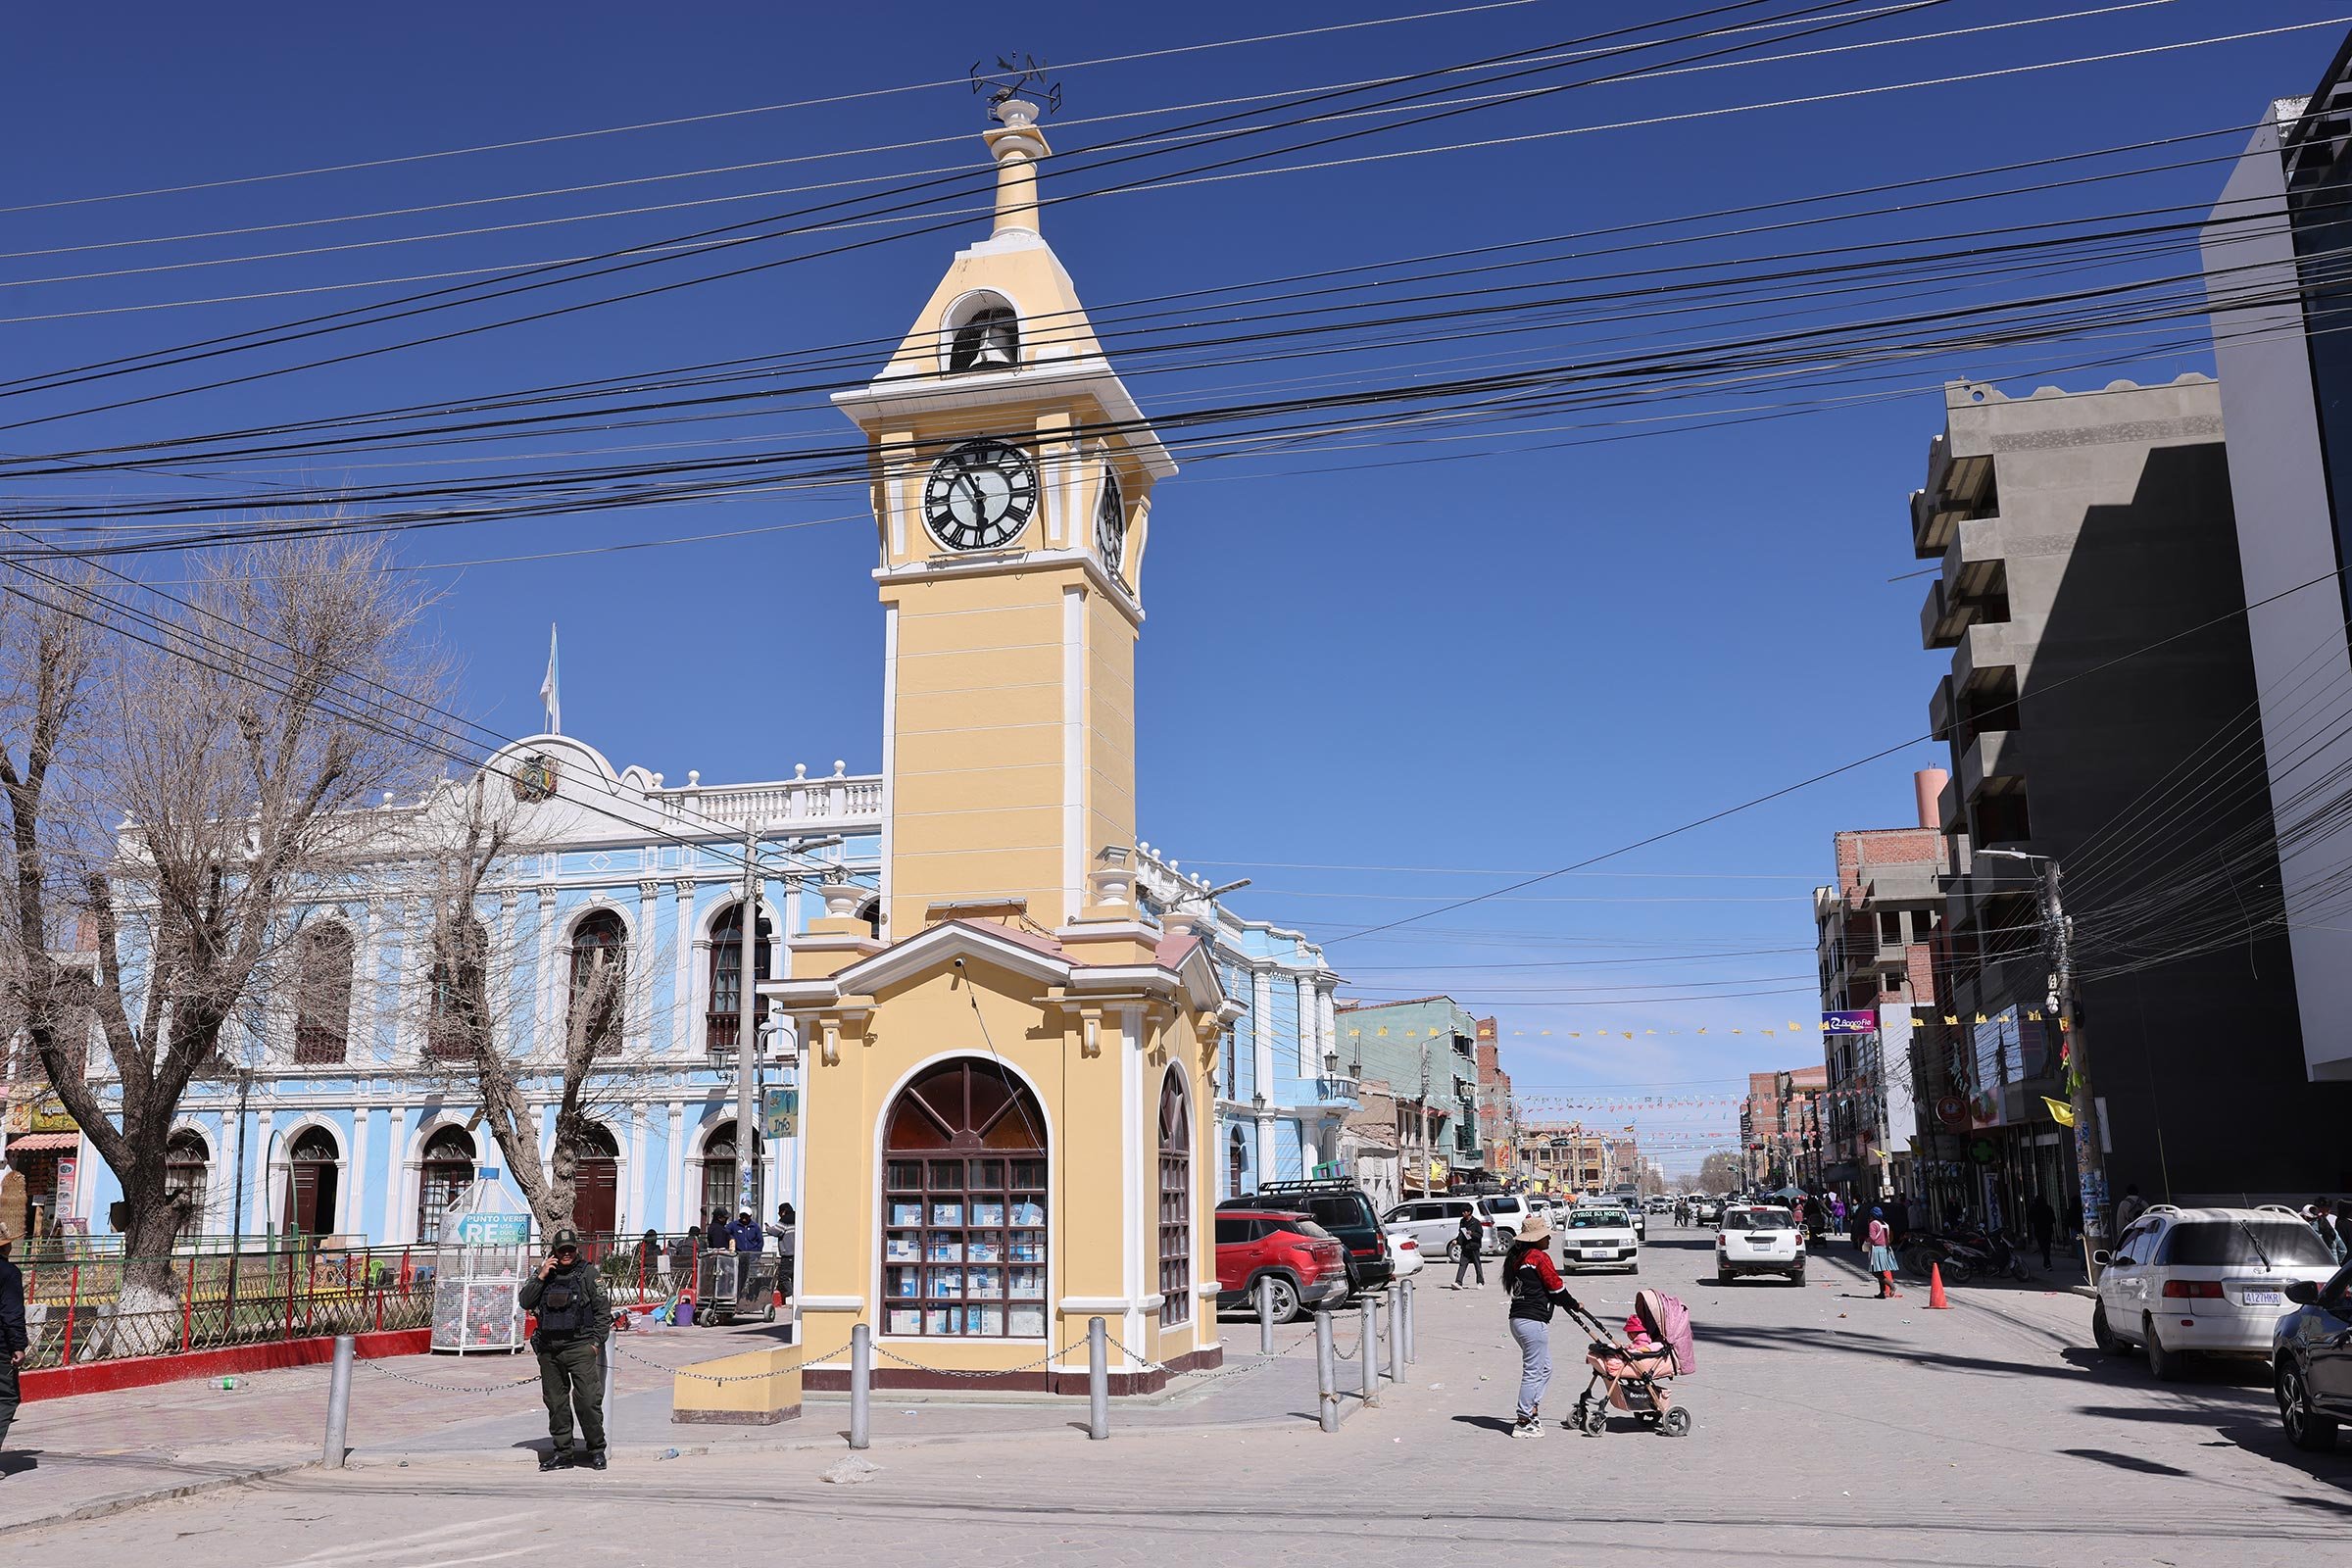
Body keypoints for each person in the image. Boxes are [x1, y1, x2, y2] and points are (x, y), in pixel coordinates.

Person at [517, 1227, 612, 1472]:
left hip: (580, 1345)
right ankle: (563, 1452)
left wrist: (595, 1343)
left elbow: (603, 1311)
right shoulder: (544, 1275)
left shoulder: (588, 1274)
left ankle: (596, 1450)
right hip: (549, 1349)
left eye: (570, 1249)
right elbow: (525, 1302)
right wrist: (540, 1276)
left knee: (588, 1401)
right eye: (562, 1250)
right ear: (555, 1252)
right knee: (556, 1402)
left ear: (576, 1248)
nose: (567, 1254)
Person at [1501, 1211, 1581, 1438]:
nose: (1549, 1239)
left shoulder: (1519, 1259)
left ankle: (1532, 1408)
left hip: (1517, 1320)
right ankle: (1523, 1420)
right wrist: (1575, 1304)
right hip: (1532, 1321)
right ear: (1535, 1239)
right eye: (1546, 1236)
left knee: (1545, 1368)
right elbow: (1556, 1288)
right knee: (1533, 1371)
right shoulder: (1537, 1257)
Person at [0, 1224, 25, 1458]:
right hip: (1, 1346)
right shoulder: (8, 1273)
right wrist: (18, 1345)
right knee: (6, 1397)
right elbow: (11, 1313)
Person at [1867, 1207, 1902, 1299]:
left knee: (1875, 1272)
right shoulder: (1885, 1224)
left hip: (1877, 1249)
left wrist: (1866, 1240)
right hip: (1886, 1249)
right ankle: (1881, 1293)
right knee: (1880, 1272)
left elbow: (1873, 1238)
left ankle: (1892, 1286)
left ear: (1872, 1216)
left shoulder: (1873, 1224)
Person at [767, 1202, 798, 1300]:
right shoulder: (798, 1218)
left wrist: (768, 1228)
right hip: (798, 1254)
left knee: (783, 1277)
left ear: (783, 1212)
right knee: (795, 1277)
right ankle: (795, 1297)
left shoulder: (785, 1220)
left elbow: (776, 1231)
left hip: (788, 1254)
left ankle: (789, 1295)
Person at [1451, 1205, 1487, 1290]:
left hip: (1474, 1246)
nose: (1463, 1213)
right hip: (1465, 1246)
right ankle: (1458, 1282)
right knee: (1462, 1264)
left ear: (1469, 1212)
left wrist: (1472, 1234)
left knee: (1477, 1264)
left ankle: (1480, 1282)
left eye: (1464, 1212)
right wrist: (1456, 1240)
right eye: (1462, 1212)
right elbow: (1461, 1233)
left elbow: (1480, 1235)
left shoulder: (1476, 1222)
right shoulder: (1462, 1221)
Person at [2028, 1194, 2057, 1271]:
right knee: (2047, 1246)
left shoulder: (2033, 1208)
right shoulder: (2048, 1208)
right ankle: (2047, 1261)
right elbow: (2053, 1219)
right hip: (2048, 1229)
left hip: (2039, 1229)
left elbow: (2030, 1218)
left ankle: (2047, 1261)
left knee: (2042, 1245)